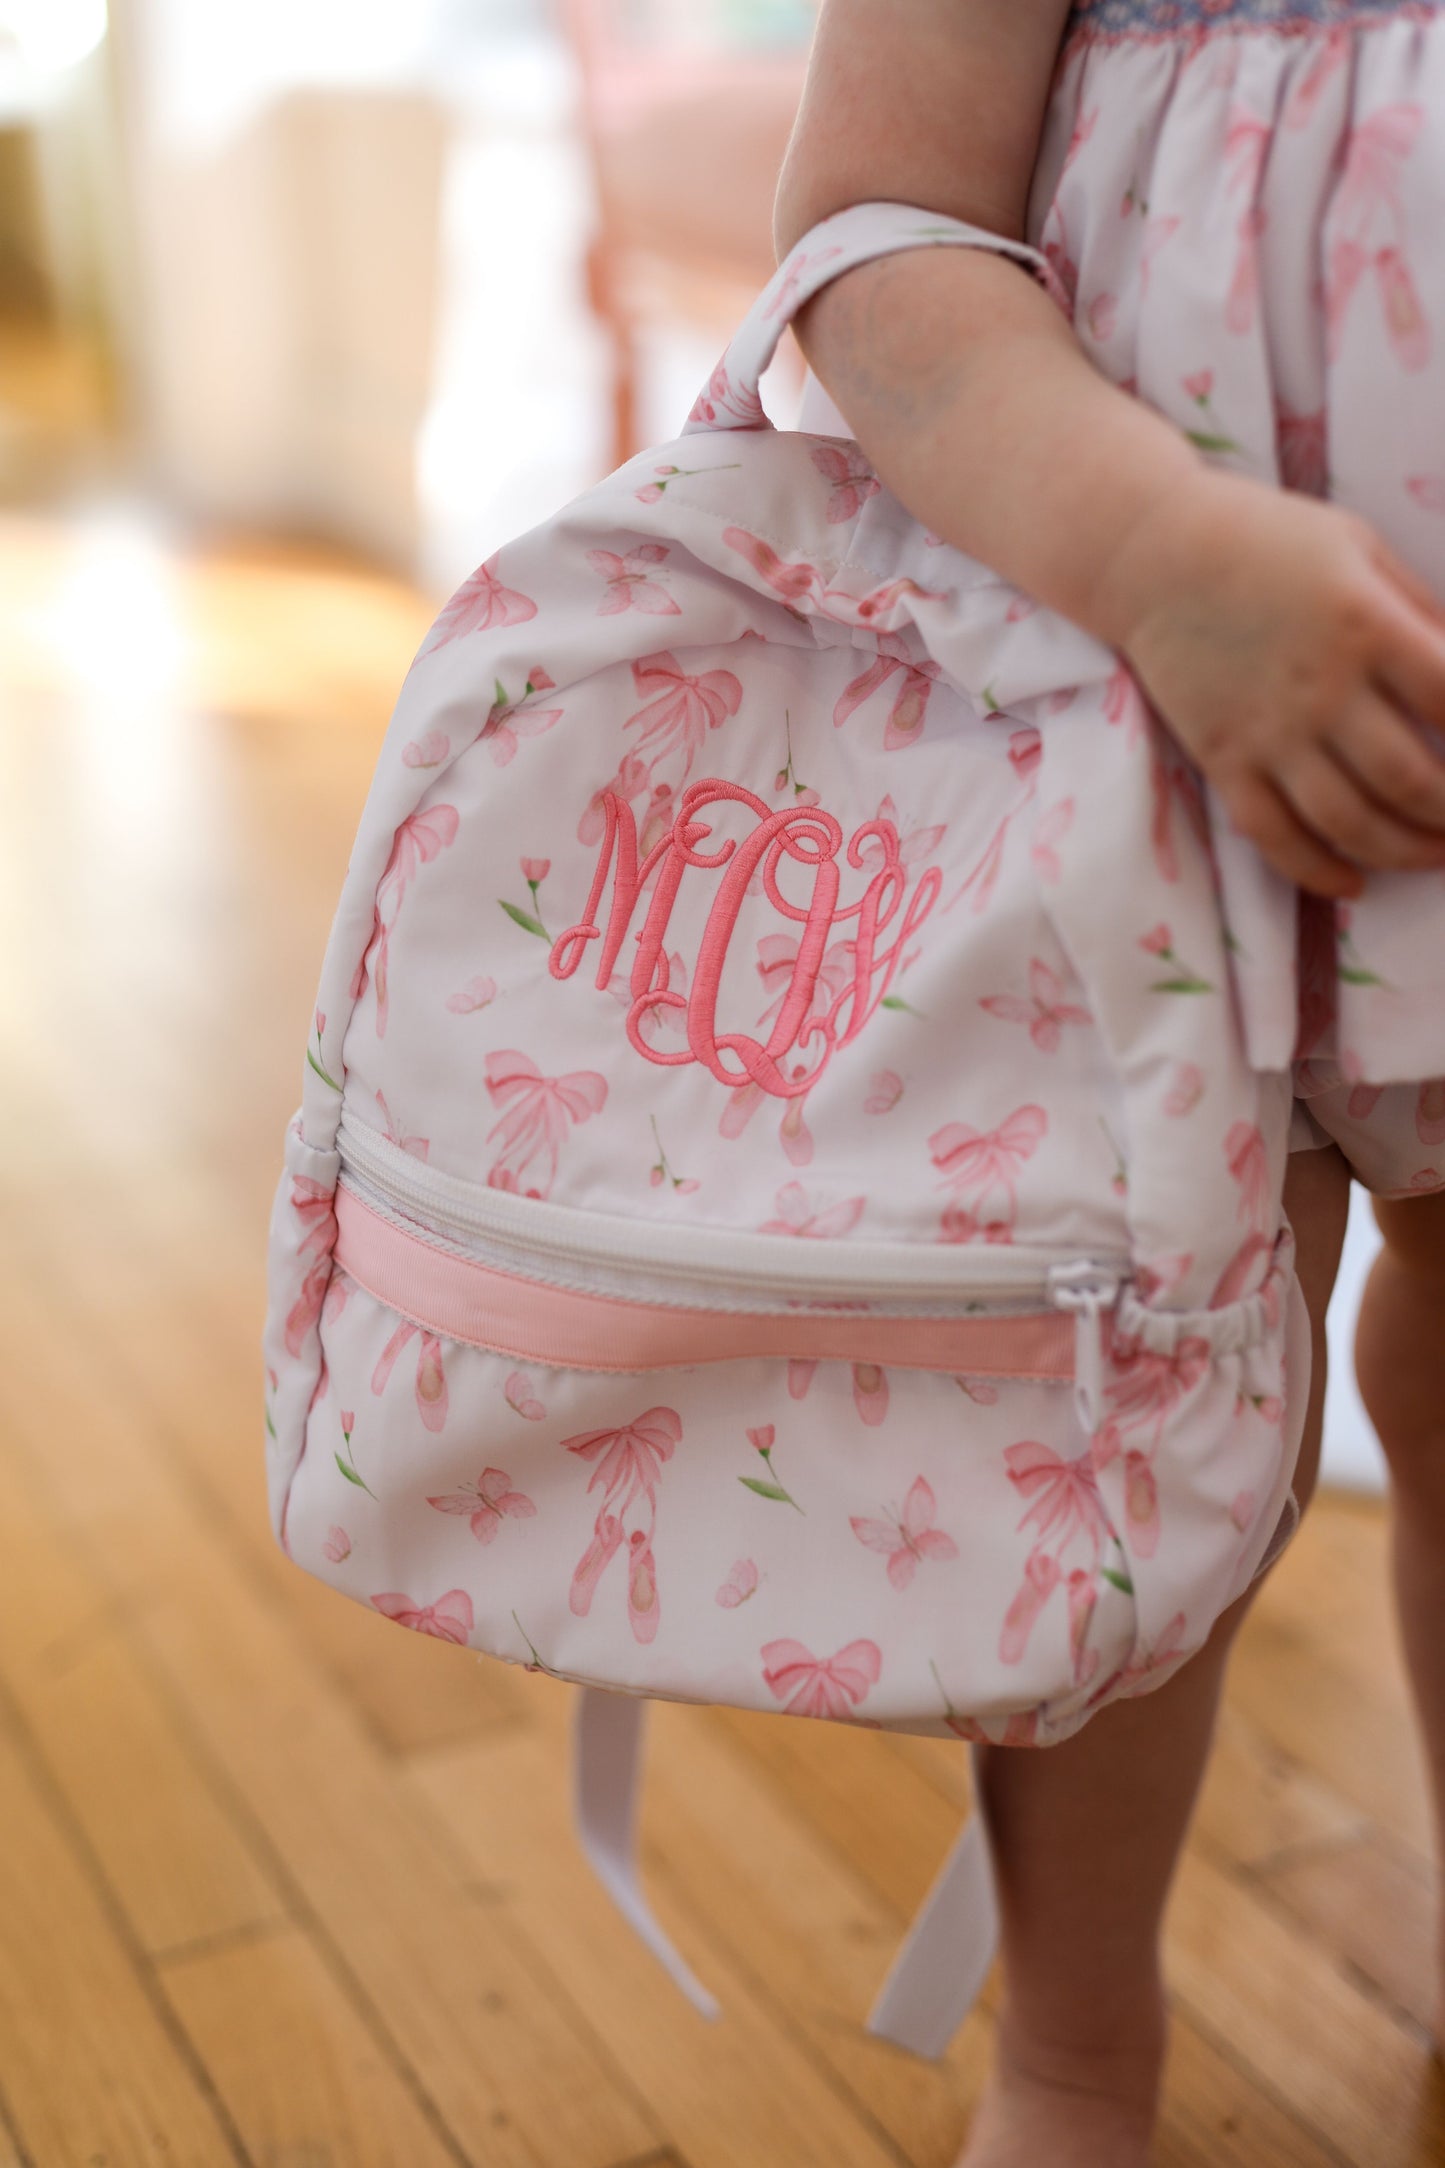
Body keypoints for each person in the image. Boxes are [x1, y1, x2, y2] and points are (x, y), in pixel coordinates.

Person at [773, 3, 1445, 2161]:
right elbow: (875, 232)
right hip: (1140, 690)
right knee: (1134, 1381)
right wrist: (1160, 557)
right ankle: (1075, 2051)